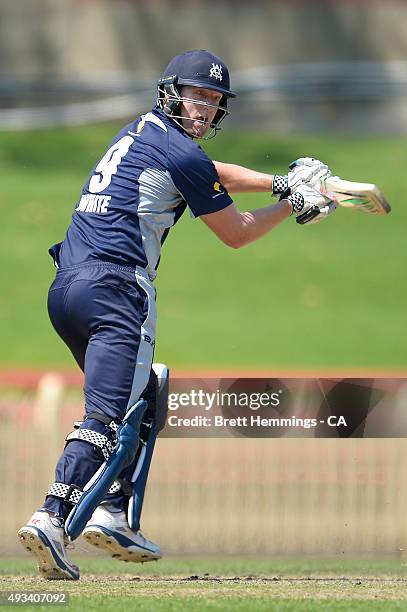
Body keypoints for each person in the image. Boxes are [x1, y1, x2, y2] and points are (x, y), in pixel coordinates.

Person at [18, 49, 335, 580]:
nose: (205, 108)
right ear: (171, 91)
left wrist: (281, 182)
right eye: (197, 96)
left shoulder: (141, 132)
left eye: (214, 101)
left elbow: (210, 173)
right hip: (118, 292)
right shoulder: (182, 153)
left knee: (145, 393)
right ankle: (51, 518)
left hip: (67, 288)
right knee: (106, 416)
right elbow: (236, 234)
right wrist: (294, 207)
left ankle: (112, 512)